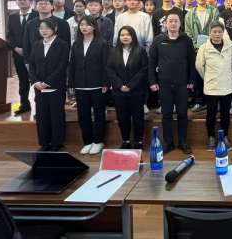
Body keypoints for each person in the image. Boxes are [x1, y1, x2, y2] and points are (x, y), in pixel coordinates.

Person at [149, 13, 196, 156]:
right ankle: (168, 142)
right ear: (166, 24)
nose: (173, 24)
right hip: (164, 84)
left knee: (182, 113)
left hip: (182, 84)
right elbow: (152, 63)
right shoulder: (158, 40)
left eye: (176, 21)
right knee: (166, 114)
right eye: (170, 21)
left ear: (180, 24)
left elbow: (192, 62)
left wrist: (191, 80)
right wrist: (153, 81)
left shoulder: (186, 40)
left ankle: (183, 141)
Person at [68, 16, 110, 156]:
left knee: (99, 114)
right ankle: (87, 141)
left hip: (97, 85)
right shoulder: (76, 44)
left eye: (87, 25)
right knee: (83, 114)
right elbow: (72, 64)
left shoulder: (102, 43)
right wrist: (71, 83)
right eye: (82, 24)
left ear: (94, 27)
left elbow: (106, 65)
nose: (84, 27)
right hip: (80, 85)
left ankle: (99, 141)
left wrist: (106, 82)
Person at [28, 18, 70, 152]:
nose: (43, 31)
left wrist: (48, 82)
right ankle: (45, 142)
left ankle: (57, 143)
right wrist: (35, 81)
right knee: (42, 115)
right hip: (39, 86)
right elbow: (31, 65)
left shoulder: (62, 44)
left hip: (56, 85)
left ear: (55, 28)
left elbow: (62, 66)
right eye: (41, 28)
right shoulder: (36, 45)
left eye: (47, 28)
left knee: (56, 114)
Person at [196, 22, 232, 152]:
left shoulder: (229, 47)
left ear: (223, 33)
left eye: (220, 31)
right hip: (211, 86)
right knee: (211, 113)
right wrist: (208, 77)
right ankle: (211, 138)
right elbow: (199, 66)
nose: (217, 34)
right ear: (209, 33)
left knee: (225, 113)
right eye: (214, 31)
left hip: (227, 85)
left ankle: (224, 137)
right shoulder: (204, 48)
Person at [107, 26, 149, 150]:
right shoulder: (114, 51)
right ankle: (125, 141)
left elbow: (143, 70)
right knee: (122, 118)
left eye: (128, 34)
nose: (125, 37)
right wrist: (120, 85)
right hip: (119, 92)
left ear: (133, 36)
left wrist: (130, 85)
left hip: (136, 91)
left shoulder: (140, 51)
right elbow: (109, 69)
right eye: (122, 35)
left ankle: (138, 141)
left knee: (138, 118)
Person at [185, 0, 222, 112]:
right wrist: (197, 45)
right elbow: (188, 32)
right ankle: (200, 101)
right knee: (198, 76)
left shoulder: (214, 11)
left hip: (212, 48)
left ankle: (214, 101)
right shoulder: (190, 14)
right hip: (196, 50)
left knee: (213, 75)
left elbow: (217, 29)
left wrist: (209, 44)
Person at [7, 0, 39, 115]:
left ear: (31, 2)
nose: (22, 2)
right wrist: (16, 48)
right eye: (19, 0)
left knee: (37, 80)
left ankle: (39, 107)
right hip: (19, 54)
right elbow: (10, 35)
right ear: (16, 3)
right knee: (23, 80)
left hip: (35, 54)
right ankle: (24, 104)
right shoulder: (13, 17)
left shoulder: (37, 15)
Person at [23, 0, 71, 64]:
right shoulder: (30, 24)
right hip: (35, 61)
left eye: (46, 4)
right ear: (36, 7)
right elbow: (26, 44)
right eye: (40, 4)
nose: (43, 6)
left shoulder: (62, 23)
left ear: (52, 7)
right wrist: (27, 61)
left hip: (56, 61)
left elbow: (66, 44)